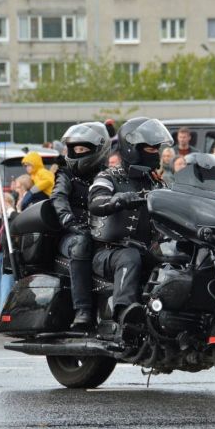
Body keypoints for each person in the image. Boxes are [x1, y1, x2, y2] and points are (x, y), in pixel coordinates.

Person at [89, 117, 169, 337]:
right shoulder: (109, 176)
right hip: (110, 252)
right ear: (132, 148)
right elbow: (96, 201)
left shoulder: (157, 183)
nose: (155, 153)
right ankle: (125, 313)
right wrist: (119, 199)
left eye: (156, 148)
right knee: (130, 257)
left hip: (148, 249)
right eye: (150, 148)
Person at [52, 122, 111, 330]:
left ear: (98, 150)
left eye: (83, 149)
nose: (78, 153)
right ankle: (83, 310)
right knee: (81, 245)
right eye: (75, 149)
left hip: (103, 231)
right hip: (73, 233)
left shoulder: (108, 175)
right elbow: (58, 197)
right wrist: (69, 221)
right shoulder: (66, 174)